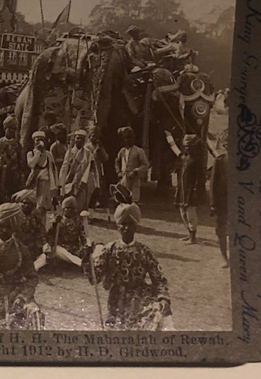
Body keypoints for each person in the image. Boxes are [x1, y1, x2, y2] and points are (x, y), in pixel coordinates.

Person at [83, 202, 173, 331]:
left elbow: (159, 278)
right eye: (122, 224)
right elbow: (94, 278)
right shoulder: (109, 249)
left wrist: (163, 298)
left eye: (130, 224)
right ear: (118, 227)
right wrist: (87, 258)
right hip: (117, 300)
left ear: (136, 226)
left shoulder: (144, 251)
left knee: (160, 316)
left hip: (141, 297)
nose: (126, 228)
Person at [0, 202, 44, 329]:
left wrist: (23, 296)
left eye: (8, 227)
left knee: (35, 314)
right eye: (1, 226)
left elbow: (32, 278)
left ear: (14, 228)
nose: (4, 230)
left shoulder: (22, 250)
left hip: (16, 297)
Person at [42, 196, 89, 268]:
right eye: (67, 208)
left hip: (74, 248)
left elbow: (83, 237)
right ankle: (81, 264)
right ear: (63, 209)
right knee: (57, 249)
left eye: (72, 208)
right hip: (61, 248)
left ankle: (84, 262)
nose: (69, 210)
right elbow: (50, 235)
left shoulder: (77, 222)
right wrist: (54, 225)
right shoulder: (58, 221)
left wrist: (86, 245)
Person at [175, 134, 202, 245]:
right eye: (186, 146)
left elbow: (199, 177)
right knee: (183, 212)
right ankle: (189, 233)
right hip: (182, 189)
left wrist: (195, 190)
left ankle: (193, 236)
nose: (187, 148)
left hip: (191, 190)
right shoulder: (184, 159)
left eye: (190, 146)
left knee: (191, 213)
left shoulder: (197, 161)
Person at [12, 189, 47, 266]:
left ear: (33, 205)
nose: (27, 206)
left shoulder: (36, 218)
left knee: (44, 257)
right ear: (20, 203)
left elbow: (42, 232)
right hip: (16, 247)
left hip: (31, 249)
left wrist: (45, 244)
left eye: (30, 204)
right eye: (24, 203)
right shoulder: (14, 217)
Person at [115, 126, 150, 204]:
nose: (128, 140)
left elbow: (145, 164)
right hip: (124, 179)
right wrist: (118, 172)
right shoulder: (122, 151)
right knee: (122, 198)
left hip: (134, 179)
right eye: (126, 138)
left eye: (130, 138)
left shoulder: (139, 151)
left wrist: (136, 171)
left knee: (133, 200)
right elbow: (117, 161)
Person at [26, 130, 58, 213]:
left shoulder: (48, 154)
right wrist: (38, 153)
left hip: (46, 182)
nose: (39, 142)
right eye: (37, 140)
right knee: (33, 203)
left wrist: (54, 185)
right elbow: (31, 164)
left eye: (42, 140)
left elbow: (52, 169)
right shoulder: (31, 153)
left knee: (44, 206)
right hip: (34, 182)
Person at [209, 135, 229, 267]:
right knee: (221, 232)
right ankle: (225, 259)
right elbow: (213, 184)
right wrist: (213, 204)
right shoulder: (220, 161)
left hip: (237, 205)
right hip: (222, 204)